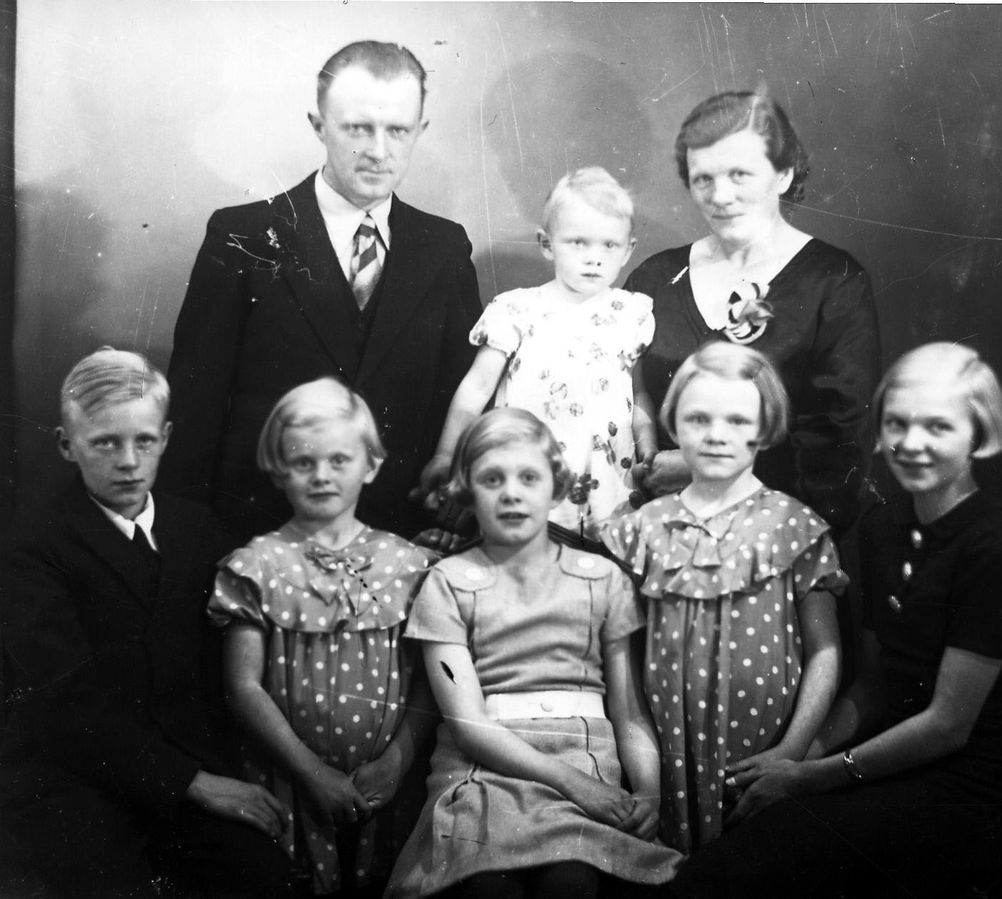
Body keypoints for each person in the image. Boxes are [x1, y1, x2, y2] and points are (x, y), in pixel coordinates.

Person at [667, 343, 1002, 897]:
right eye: (897, 423)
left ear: (979, 434)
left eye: (938, 427)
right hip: (890, 762)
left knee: (745, 873)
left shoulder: (996, 544)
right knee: (725, 858)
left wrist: (809, 777)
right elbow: (872, 686)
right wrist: (793, 757)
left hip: (981, 786)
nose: (911, 443)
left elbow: (948, 723)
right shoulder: (883, 527)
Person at [161, 40, 481, 542]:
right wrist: (191, 542)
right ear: (319, 125)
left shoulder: (444, 247)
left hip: (403, 538)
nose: (378, 151)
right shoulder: (243, 236)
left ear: (420, 130)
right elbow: (194, 409)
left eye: (398, 130)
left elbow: (462, 395)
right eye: (358, 128)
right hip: (259, 535)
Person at [0, 348, 293, 898]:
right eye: (105, 443)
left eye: (145, 440)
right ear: (66, 444)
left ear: (167, 437)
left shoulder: (198, 527)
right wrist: (194, 784)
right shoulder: (34, 546)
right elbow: (66, 705)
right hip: (76, 780)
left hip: (187, 763)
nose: (129, 462)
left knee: (267, 878)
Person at [387, 408, 682, 898]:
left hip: (586, 764)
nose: (511, 493)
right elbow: (469, 724)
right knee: (488, 889)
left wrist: (648, 792)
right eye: (492, 479)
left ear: (557, 487)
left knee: (571, 883)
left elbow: (629, 712)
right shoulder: (447, 582)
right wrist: (575, 786)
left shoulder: (602, 579)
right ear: (467, 492)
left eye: (528, 477)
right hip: (483, 772)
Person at [601, 342, 845, 853]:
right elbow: (624, 685)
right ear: (674, 423)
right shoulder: (639, 532)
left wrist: (792, 750)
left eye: (737, 420)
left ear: (766, 426)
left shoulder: (794, 526)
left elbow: (826, 651)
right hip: (669, 763)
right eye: (699, 418)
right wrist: (646, 784)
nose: (716, 434)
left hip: (766, 759)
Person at [208, 378, 435, 895]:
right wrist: (312, 772)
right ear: (278, 468)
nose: (321, 475)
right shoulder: (257, 566)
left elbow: (431, 681)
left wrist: (397, 761)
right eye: (303, 462)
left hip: (387, 785)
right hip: (291, 779)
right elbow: (243, 687)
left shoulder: (407, 564)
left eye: (338, 460)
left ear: (370, 465)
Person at [624, 90, 880, 534]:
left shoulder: (834, 281)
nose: (720, 196)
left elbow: (841, 449)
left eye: (739, 174)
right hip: (655, 538)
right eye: (703, 179)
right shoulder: (654, 278)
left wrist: (705, 468)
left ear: (783, 174)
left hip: (776, 541)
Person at [417, 167, 657, 546]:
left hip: (609, 482)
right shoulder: (516, 310)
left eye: (609, 246)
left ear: (628, 249)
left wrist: (648, 446)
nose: (594, 259)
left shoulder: (633, 313)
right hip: (527, 476)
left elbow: (637, 392)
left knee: (599, 570)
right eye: (578, 243)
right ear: (547, 244)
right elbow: (476, 389)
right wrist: (447, 455)